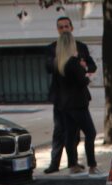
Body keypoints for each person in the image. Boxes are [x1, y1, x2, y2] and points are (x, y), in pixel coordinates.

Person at [44, 16, 97, 173]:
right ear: (57, 29)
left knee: (71, 132)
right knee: (62, 131)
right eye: (61, 27)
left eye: (66, 26)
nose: (64, 29)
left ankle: (72, 163)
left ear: (71, 28)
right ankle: (58, 163)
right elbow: (50, 68)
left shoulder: (80, 48)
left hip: (70, 98)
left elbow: (92, 65)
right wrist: (76, 67)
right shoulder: (53, 50)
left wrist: (84, 67)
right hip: (64, 98)